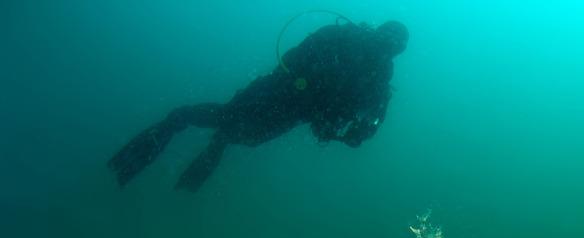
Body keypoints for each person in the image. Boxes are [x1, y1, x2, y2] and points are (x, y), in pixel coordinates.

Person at [108, 20, 409, 191]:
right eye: (387, 39)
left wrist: (357, 132)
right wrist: (307, 83)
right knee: (226, 118)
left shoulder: (380, 77)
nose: (386, 47)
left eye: (393, 47)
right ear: (378, 32)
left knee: (244, 138)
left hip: (293, 113)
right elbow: (293, 57)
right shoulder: (343, 36)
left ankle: (214, 146)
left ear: (397, 51)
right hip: (275, 91)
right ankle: (168, 127)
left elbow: (372, 120)